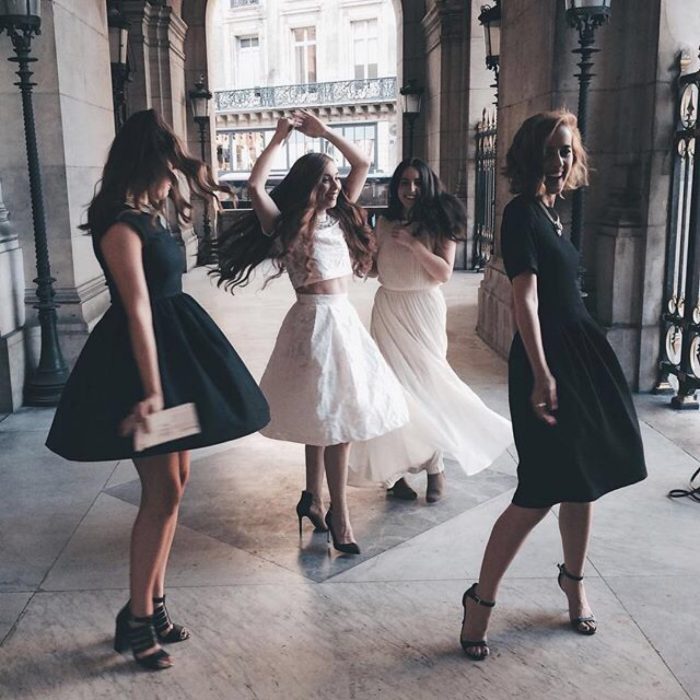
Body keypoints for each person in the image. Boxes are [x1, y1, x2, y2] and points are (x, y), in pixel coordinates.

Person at [46, 109, 270, 670]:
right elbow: (137, 310)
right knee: (163, 491)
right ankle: (138, 619)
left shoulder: (148, 215)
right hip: (142, 366)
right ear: (148, 163)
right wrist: (151, 392)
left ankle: (152, 604)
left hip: (175, 356)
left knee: (178, 480)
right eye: (168, 165)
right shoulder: (120, 224)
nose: (174, 177)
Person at [458, 110, 647, 660]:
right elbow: (526, 298)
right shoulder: (520, 214)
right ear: (531, 156)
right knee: (538, 490)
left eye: (568, 150)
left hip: (580, 356)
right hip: (550, 361)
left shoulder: (552, 214)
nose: (562, 160)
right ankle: (481, 601)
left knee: (583, 482)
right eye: (552, 150)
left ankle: (573, 583)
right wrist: (542, 372)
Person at [211, 110, 408, 555]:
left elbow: (359, 164)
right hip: (312, 323)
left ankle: (313, 498)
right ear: (306, 185)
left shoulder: (339, 217)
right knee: (329, 420)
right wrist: (279, 137)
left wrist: (326, 133)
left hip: (342, 323)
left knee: (331, 417)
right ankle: (339, 513)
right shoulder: (283, 223)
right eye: (324, 180)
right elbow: (255, 186)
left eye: (334, 180)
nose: (335, 186)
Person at [349, 158, 512, 502]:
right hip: (389, 307)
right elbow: (379, 269)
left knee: (428, 386)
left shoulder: (440, 221)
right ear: (395, 187)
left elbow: (443, 273)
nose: (410, 190)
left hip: (423, 309)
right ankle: (394, 474)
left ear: (427, 185)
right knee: (391, 391)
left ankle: (436, 466)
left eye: (417, 183)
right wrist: (364, 263)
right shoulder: (384, 221)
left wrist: (415, 245)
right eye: (404, 183)